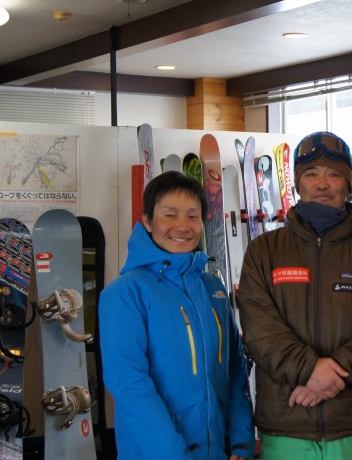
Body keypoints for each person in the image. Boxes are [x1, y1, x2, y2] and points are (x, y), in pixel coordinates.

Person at [236, 131, 352, 460]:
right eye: (311, 174)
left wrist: (334, 372)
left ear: (349, 184)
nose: (322, 184)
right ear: (298, 185)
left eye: (334, 174)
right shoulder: (264, 252)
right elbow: (259, 330)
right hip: (288, 424)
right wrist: (310, 372)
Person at [99, 171, 255, 460]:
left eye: (192, 216)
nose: (182, 226)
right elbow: (131, 387)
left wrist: (242, 442)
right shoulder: (125, 293)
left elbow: (235, 372)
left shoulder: (213, 289)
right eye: (170, 215)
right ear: (147, 220)